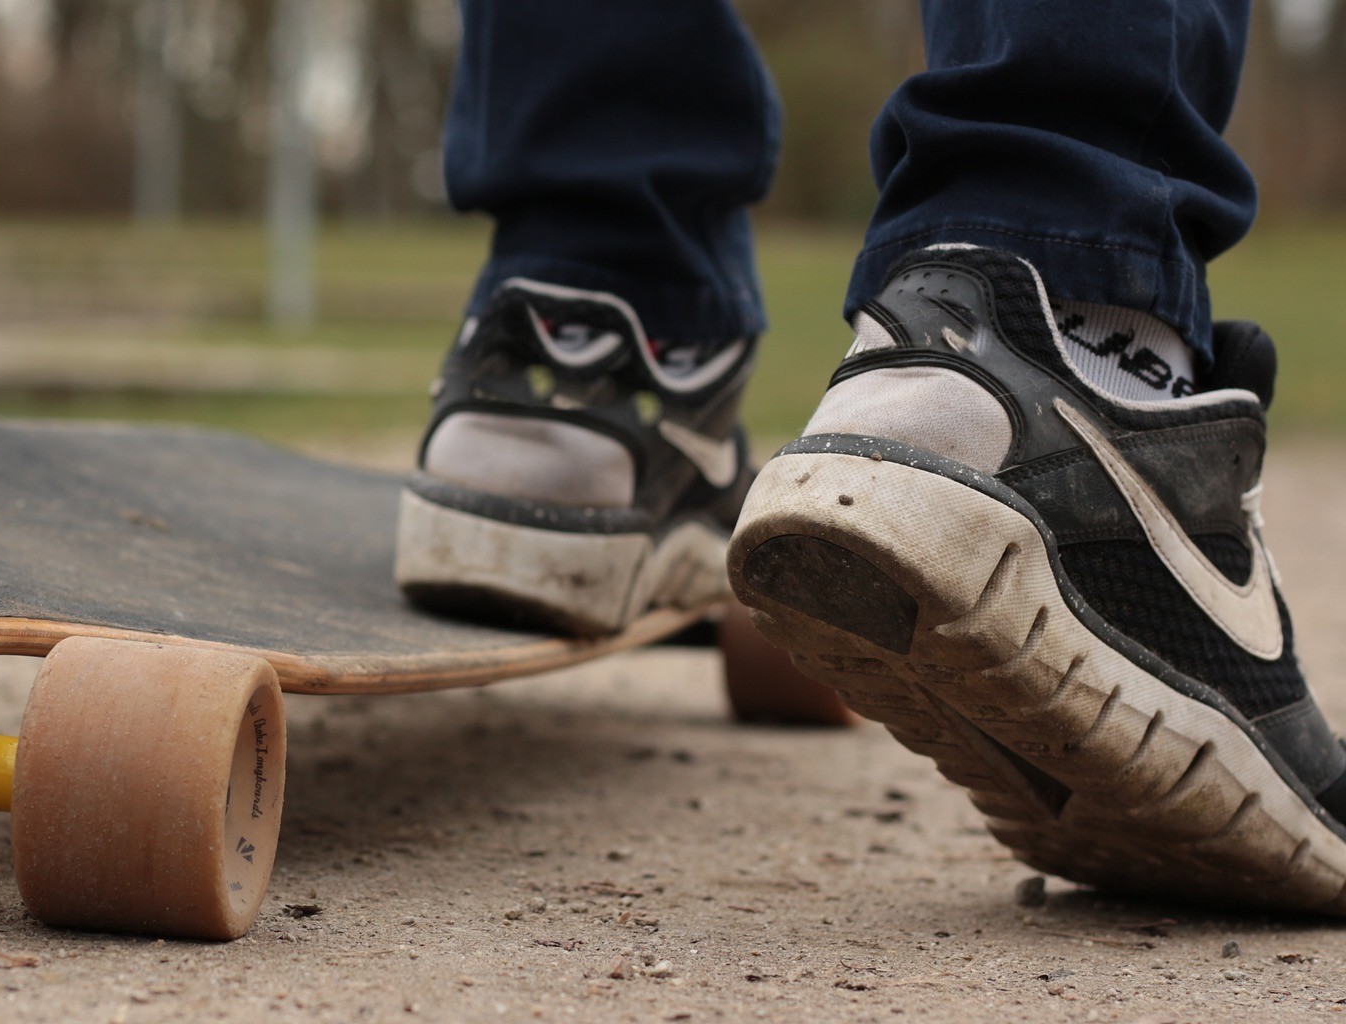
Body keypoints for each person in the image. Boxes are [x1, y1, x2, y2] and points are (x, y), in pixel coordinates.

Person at [395, 1, 1344, 913]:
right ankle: (1076, 313)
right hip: (1039, 366)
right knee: (1055, 210)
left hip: (792, 324)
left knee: (596, 260)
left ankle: (583, 323)